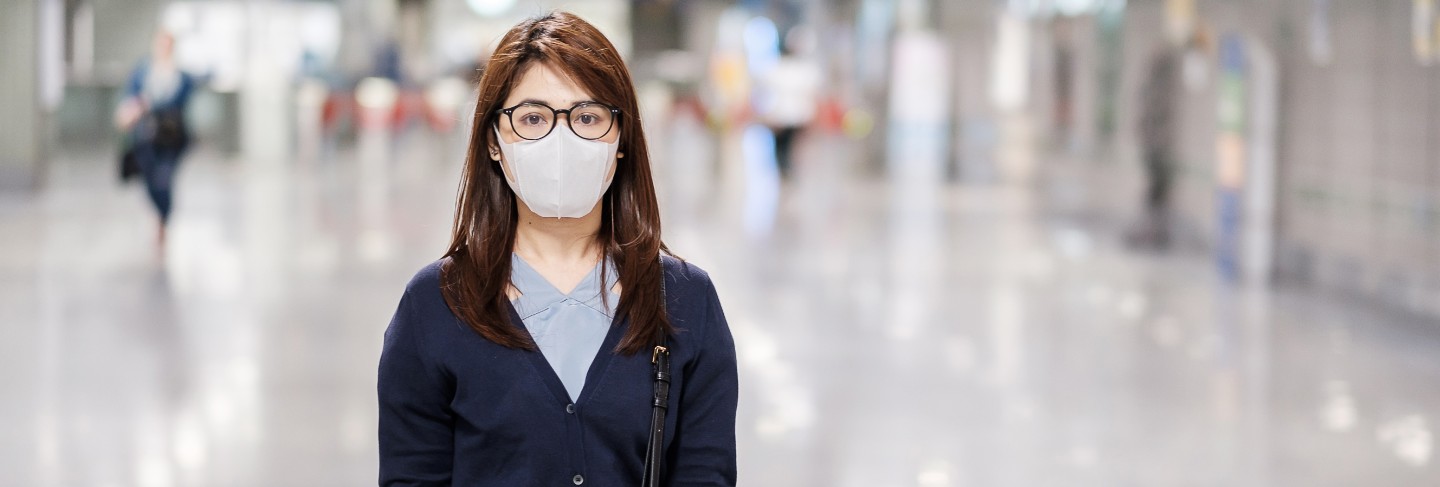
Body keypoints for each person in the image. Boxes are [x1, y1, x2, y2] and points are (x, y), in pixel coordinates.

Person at [377, 11, 739, 487]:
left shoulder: (685, 300)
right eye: (533, 117)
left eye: (587, 117)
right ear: (493, 141)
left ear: (621, 139)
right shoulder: (436, 304)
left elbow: (705, 473)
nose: (561, 140)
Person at [114, 31, 195, 247]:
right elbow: (130, 96)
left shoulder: (181, 76)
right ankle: (159, 214)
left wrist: (148, 105)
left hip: (171, 138)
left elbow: (179, 103)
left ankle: (164, 218)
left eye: (167, 45)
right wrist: (129, 111)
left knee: (164, 179)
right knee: (149, 179)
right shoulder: (142, 71)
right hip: (146, 136)